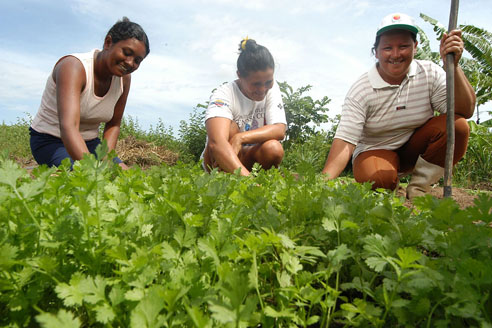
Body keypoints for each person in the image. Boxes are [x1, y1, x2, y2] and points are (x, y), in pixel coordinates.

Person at [322, 13, 475, 199]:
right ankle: (390, 183)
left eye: (403, 46)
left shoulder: (429, 73)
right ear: (376, 52)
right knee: (379, 181)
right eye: (387, 48)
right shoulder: (362, 90)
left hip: (415, 149)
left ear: (415, 47)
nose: (395, 54)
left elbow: (464, 110)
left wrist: (453, 66)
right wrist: (322, 183)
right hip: (375, 150)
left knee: (456, 125)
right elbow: (345, 141)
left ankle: (419, 188)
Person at [29, 17, 149, 169]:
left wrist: (106, 159)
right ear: (108, 42)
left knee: (126, 176)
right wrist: (92, 169)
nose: (130, 63)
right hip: (51, 141)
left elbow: (113, 124)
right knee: (81, 178)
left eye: (137, 60)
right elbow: (69, 126)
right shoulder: (73, 67)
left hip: (91, 143)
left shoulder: (124, 79)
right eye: (126, 53)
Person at [202, 38, 287, 176]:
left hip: (249, 156)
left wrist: (240, 138)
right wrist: (250, 185)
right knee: (230, 128)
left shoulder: (272, 88)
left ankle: (253, 176)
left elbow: (279, 129)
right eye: (256, 84)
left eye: (268, 82)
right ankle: (232, 176)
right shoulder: (224, 93)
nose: (263, 89)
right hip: (219, 159)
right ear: (239, 75)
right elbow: (216, 144)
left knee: (274, 148)